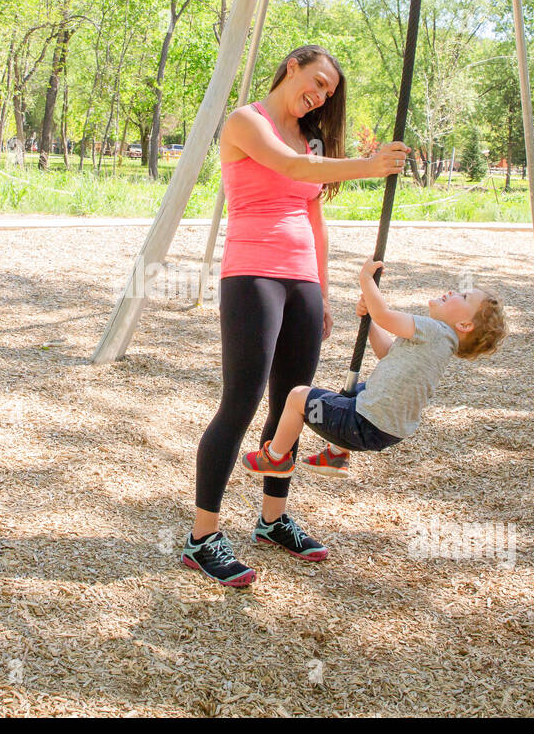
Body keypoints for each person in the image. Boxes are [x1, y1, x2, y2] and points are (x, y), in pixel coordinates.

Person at [182, 45, 411, 588]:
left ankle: (272, 519)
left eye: (329, 91)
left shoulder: (311, 140)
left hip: (301, 281)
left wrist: (325, 292)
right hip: (252, 275)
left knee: (294, 401)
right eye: (317, 81)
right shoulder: (246, 121)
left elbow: (315, 218)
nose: (321, 94)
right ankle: (202, 536)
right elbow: (289, 167)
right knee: (240, 401)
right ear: (292, 67)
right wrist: (370, 166)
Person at [242, 257, 507, 481]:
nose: (453, 291)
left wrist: (367, 281)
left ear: (464, 325)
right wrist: (369, 322)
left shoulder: (434, 331)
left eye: (463, 296)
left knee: (298, 397)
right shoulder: (440, 344)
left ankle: (276, 457)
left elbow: (385, 315)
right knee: (354, 390)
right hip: (385, 431)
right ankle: (335, 456)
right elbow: (387, 353)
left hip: (361, 423)